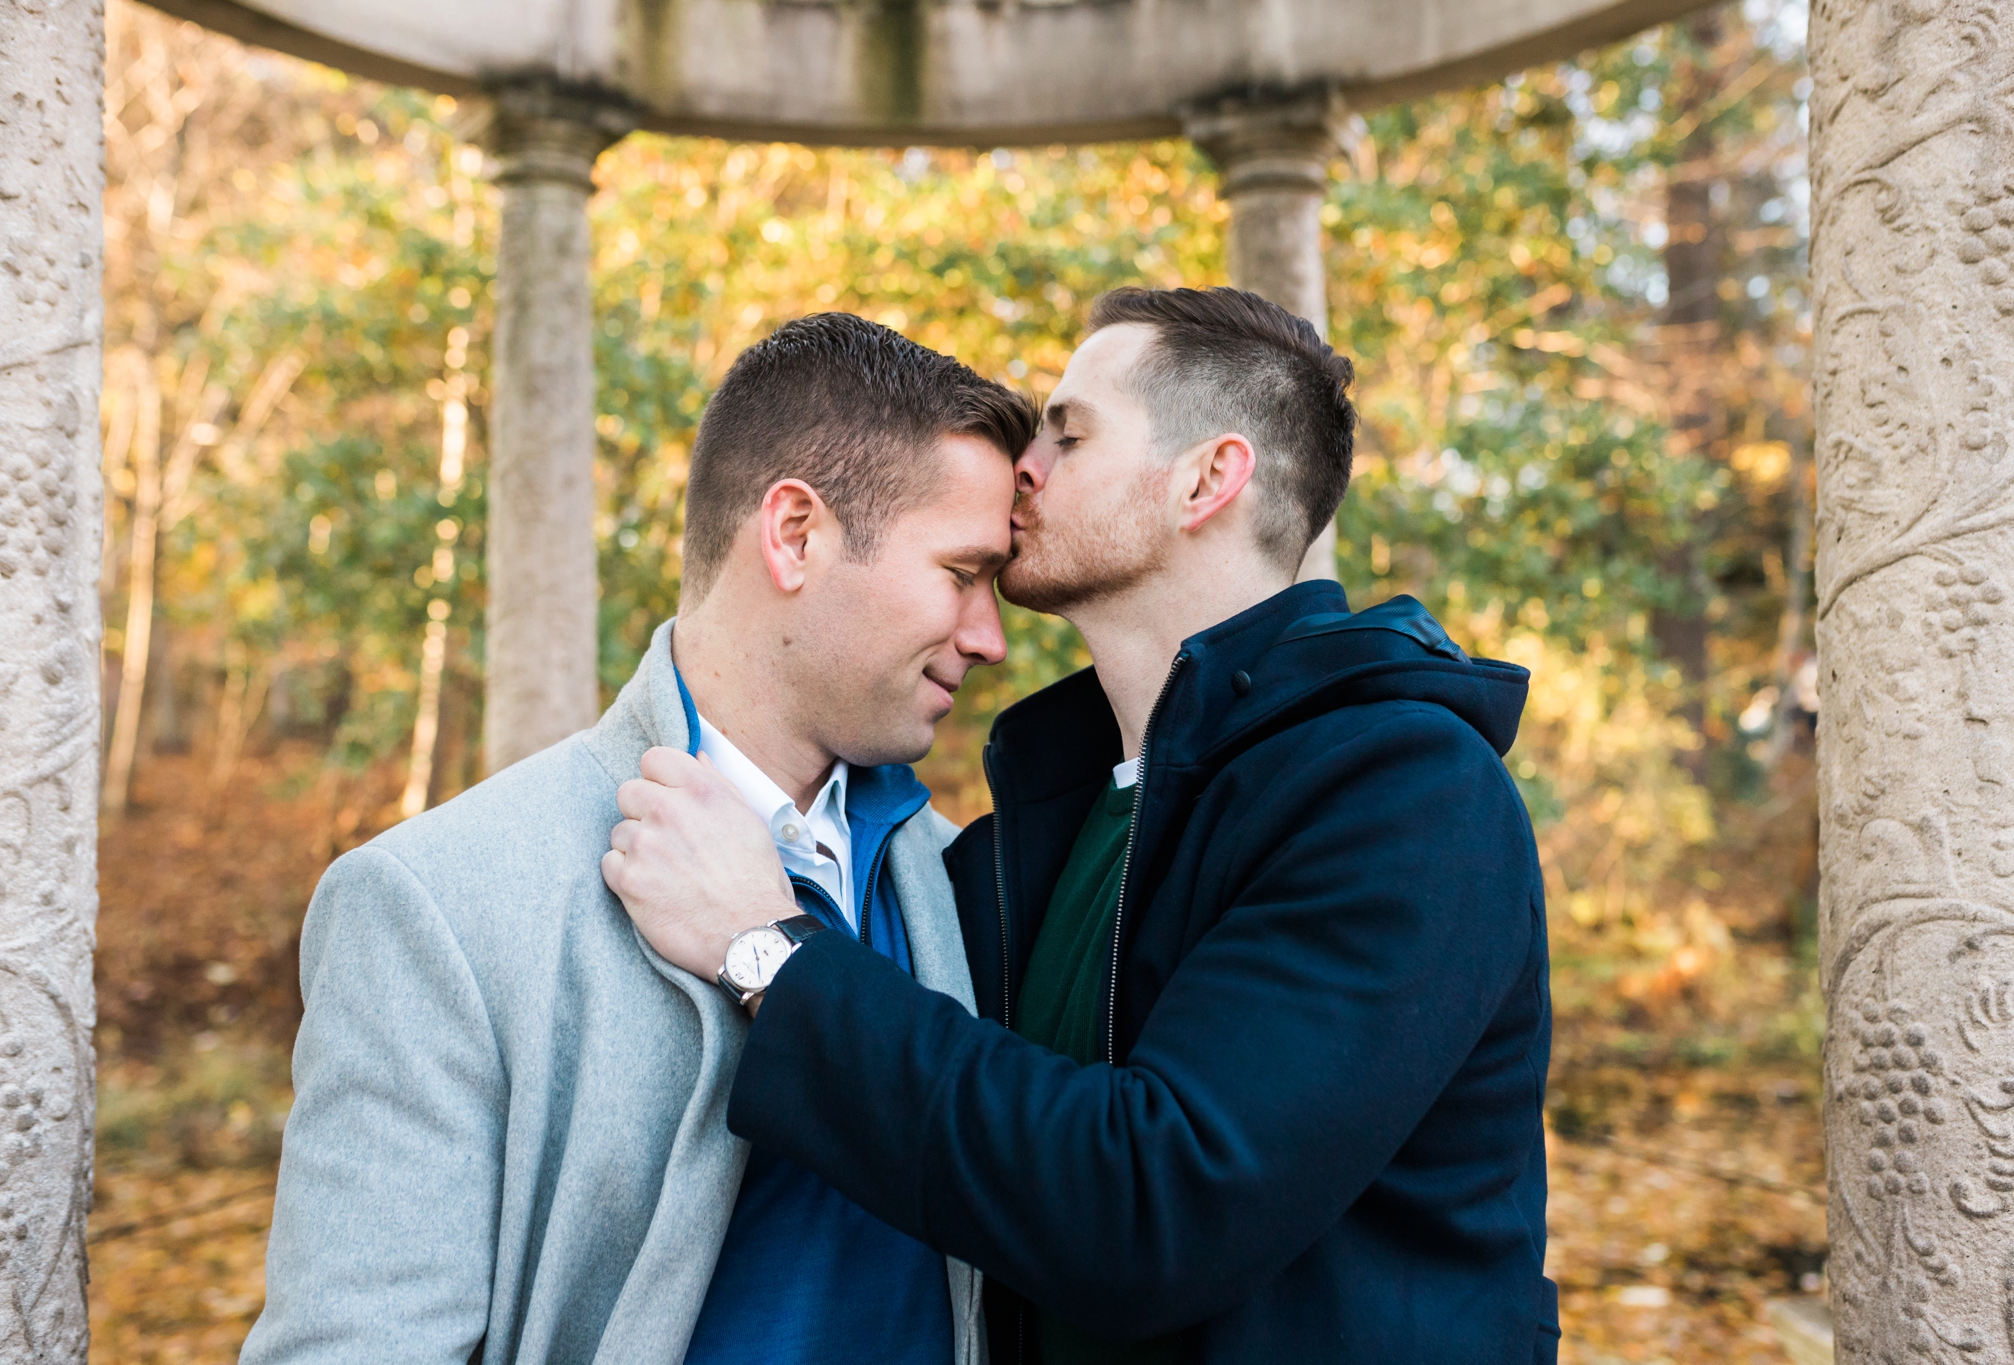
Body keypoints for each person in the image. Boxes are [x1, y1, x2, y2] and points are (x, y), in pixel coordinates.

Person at [605, 287, 1560, 1364]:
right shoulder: (1026, 835)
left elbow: (1155, 1212)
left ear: (1207, 478)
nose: (1026, 463)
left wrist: (767, 950)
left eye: (1068, 434)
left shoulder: (1404, 795)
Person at [240, 313, 1037, 1365]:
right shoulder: (438, 899)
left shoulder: (966, 877)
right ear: (793, 534)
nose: (989, 638)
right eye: (961, 574)